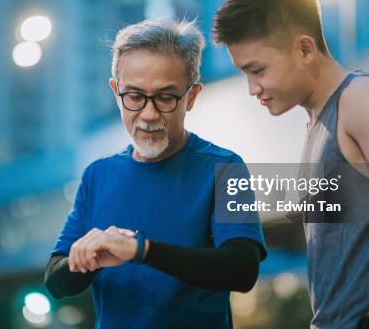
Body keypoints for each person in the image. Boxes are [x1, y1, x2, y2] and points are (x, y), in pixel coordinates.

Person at [212, 0, 369, 329]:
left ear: (305, 49)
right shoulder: (319, 122)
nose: (252, 89)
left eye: (257, 70)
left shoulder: (364, 99)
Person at [44, 18, 266, 329]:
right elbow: (56, 280)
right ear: (115, 91)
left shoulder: (224, 168)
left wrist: (143, 250)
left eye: (165, 98)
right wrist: (87, 259)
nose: (148, 114)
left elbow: (242, 270)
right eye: (134, 96)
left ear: (191, 97)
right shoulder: (98, 175)